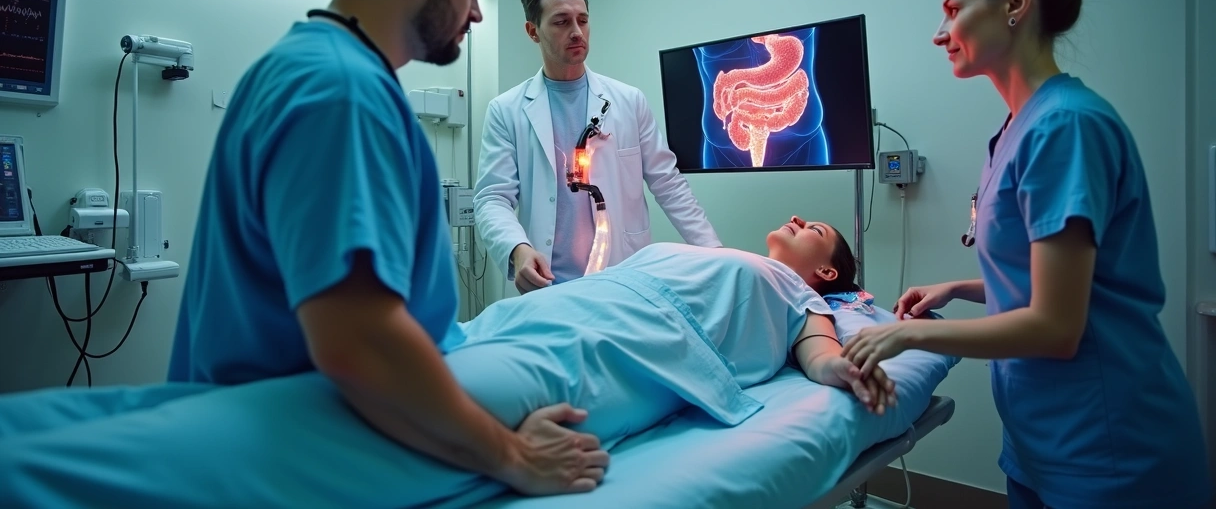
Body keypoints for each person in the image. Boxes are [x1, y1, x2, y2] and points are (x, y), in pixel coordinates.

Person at [53, 0, 605, 499]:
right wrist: (513, 455)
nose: (478, 11)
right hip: (298, 431)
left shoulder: (293, 65)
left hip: (257, 411)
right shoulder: (343, 91)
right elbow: (360, 342)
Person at [0, 215, 894, 508]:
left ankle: (33, 469)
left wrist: (843, 368)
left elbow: (818, 353)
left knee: (338, 420)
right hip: (548, 316)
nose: (803, 216)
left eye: (818, 225)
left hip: (606, 359)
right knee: (328, 391)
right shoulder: (702, 251)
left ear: (826, 271)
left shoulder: (800, 296)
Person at [840, 0, 1212, 509]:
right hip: (1038, 439)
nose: (939, 34)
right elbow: (1050, 282)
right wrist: (958, 287)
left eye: (954, 10)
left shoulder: (1066, 126)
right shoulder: (1013, 131)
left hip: (1107, 447)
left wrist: (904, 332)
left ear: (1015, 4)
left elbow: (1057, 326)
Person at [474, 0, 721, 294]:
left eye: (583, 20)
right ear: (533, 31)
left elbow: (667, 182)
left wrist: (718, 255)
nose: (577, 32)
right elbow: (492, 198)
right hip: (549, 285)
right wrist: (518, 250)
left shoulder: (628, 100)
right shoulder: (507, 110)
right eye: (562, 22)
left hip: (622, 275)